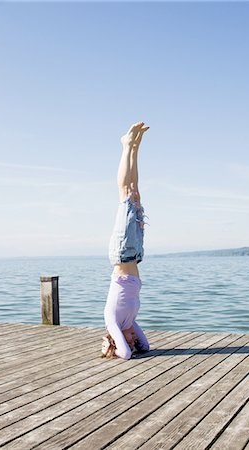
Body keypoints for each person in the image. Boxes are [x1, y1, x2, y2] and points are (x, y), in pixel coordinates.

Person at [102, 122, 150, 360]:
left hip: (122, 252)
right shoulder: (130, 320)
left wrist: (116, 344)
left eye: (129, 340)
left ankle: (126, 147)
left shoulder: (112, 319)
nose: (133, 340)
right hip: (136, 255)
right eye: (132, 341)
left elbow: (124, 353)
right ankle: (135, 148)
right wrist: (136, 342)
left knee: (125, 194)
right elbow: (146, 346)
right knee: (136, 192)